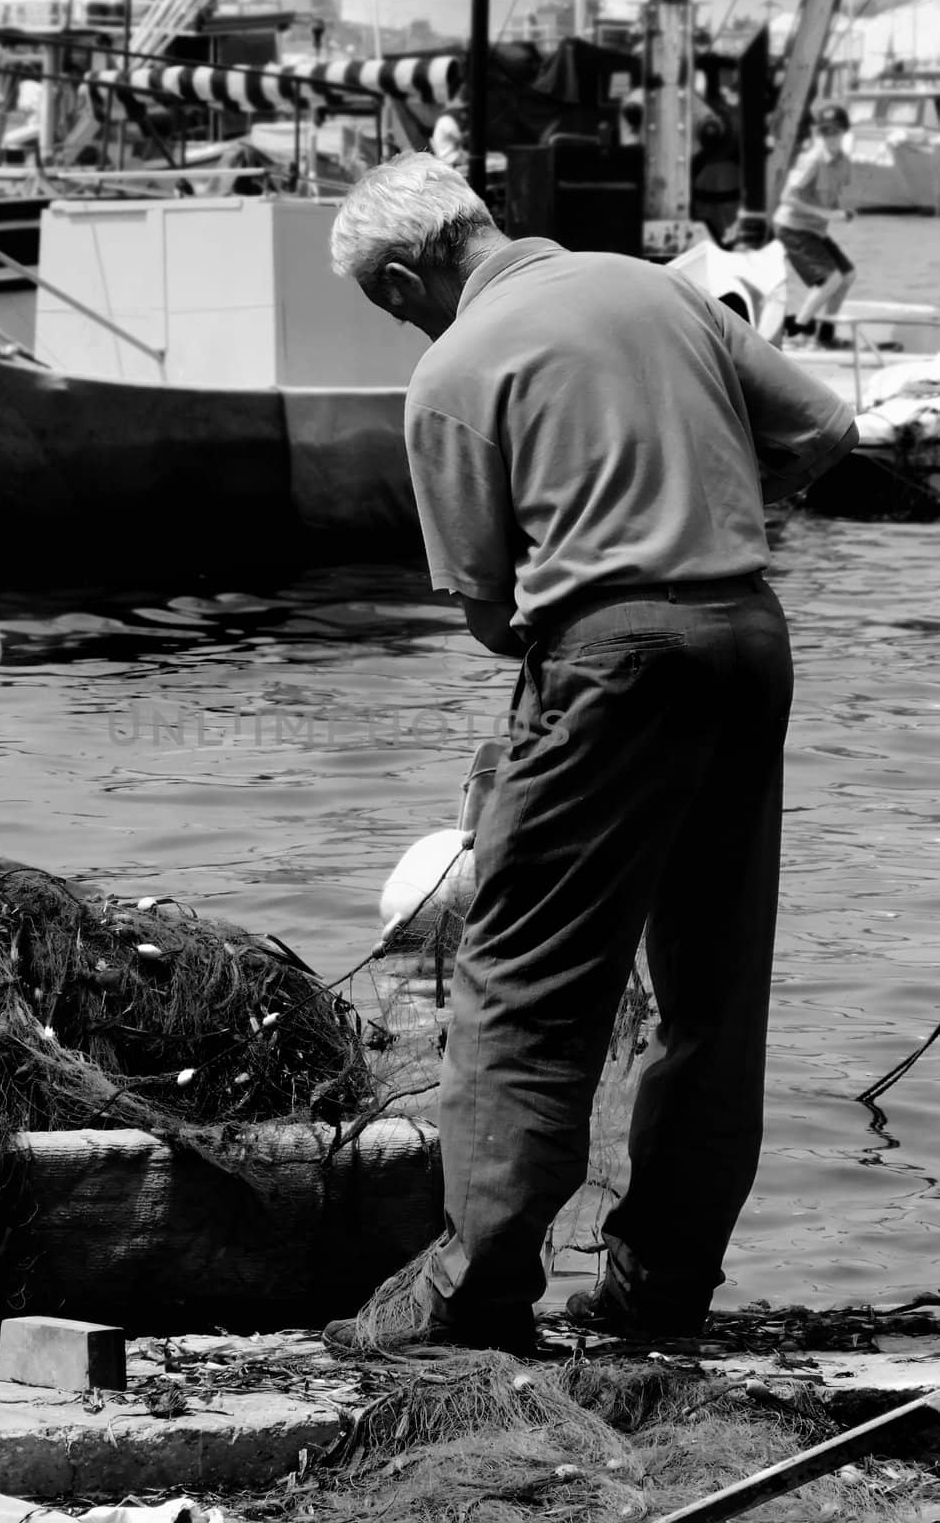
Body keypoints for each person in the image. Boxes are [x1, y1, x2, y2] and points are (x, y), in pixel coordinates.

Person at [323, 152, 859, 1355]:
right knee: (712, 990)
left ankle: (478, 1295)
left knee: (524, 980)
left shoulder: (452, 371)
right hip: (746, 638)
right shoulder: (665, 290)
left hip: (610, 664)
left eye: (387, 300)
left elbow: (484, 607)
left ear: (409, 271)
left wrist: (586, 625)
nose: (399, 320)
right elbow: (827, 425)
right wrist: (716, 498)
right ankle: (660, 1294)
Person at [773, 102, 856, 349]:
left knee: (848, 276)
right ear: (820, 133)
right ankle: (795, 333)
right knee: (831, 279)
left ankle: (825, 335)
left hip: (815, 230)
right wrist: (825, 213)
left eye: (835, 130)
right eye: (825, 131)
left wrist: (846, 211)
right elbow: (787, 197)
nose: (830, 136)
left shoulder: (844, 163)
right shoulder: (812, 160)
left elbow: (840, 197)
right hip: (791, 227)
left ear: (844, 132)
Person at [429, 99, 469, 173]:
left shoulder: (445, 120)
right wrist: (468, 135)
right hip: (449, 156)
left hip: (449, 153)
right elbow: (459, 138)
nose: (464, 115)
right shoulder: (447, 121)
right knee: (475, 160)